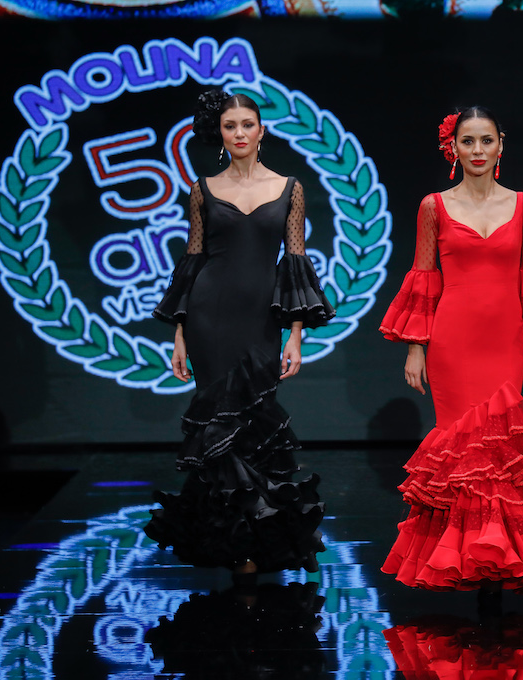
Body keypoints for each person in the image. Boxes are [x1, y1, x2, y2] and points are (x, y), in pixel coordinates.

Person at [379, 106, 523, 603]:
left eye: (485, 140)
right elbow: (424, 277)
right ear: (453, 148)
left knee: (499, 449)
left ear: (500, 145)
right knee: (463, 450)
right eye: (467, 141)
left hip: (504, 338)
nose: (477, 150)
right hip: (452, 342)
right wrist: (416, 348)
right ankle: (468, 559)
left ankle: (497, 558)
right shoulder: (434, 206)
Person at [144, 90, 335, 582]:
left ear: (261, 130)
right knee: (218, 422)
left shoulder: (289, 188)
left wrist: (295, 333)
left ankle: (255, 536)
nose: (240, 133)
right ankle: (239, 545)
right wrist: (180, 334)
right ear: (222, 134)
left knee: (254, 420)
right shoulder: (202, 189)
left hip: (261, 319)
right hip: (209, 317)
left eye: (247, 124)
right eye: (230, 126)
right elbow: (193, 262)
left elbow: (294, 262)